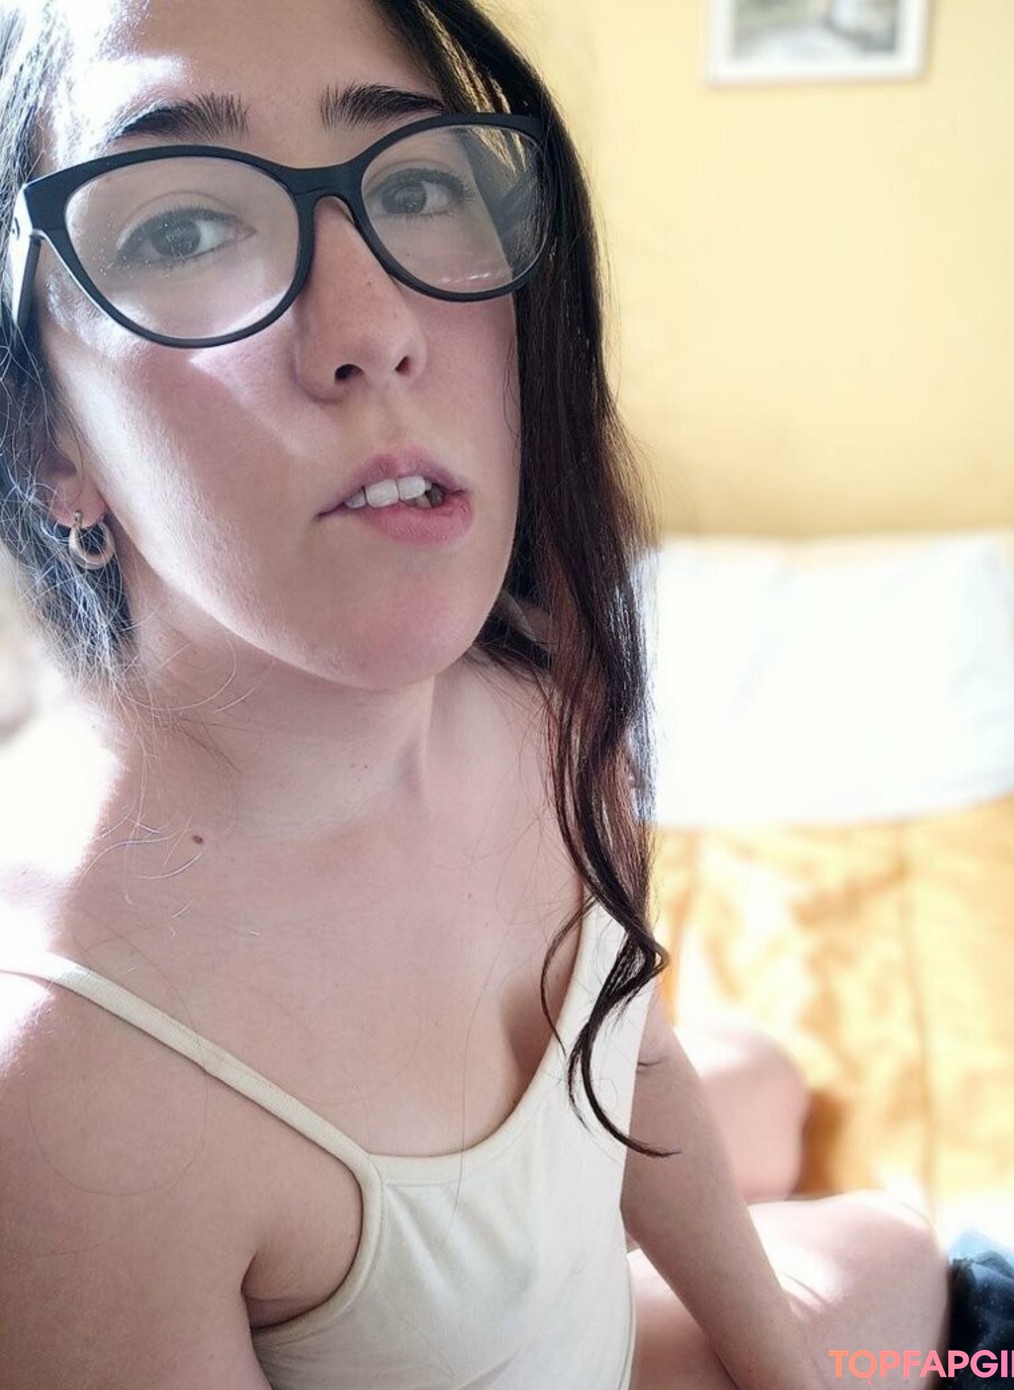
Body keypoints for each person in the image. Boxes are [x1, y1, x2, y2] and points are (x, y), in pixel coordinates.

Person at [0, 0, 947, 1385]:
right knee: (901, 1246)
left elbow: (626, 1052)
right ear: (46, 442)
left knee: (775, 1100)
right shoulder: (70, 1097)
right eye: (186, 227)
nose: (374, 328)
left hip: (553, 1283)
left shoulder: (547, 701)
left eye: (418, 187)